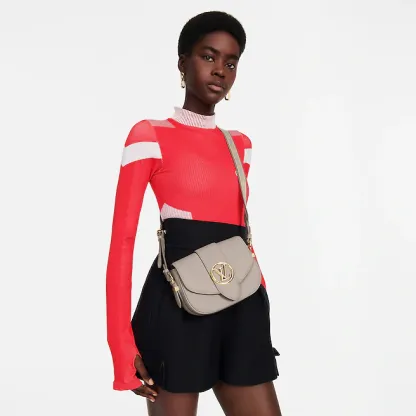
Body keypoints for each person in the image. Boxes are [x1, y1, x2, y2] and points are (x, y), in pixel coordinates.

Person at [106, 10, 282, 416]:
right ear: (182, 63)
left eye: (231, 62)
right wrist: (121, 347)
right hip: (175, 305)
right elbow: (122, 243)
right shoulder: (149, 135)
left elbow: (241, 236)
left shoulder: (240, 145)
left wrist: (261, 312)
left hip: (241, 306)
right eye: (208, 56)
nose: (220, 70)